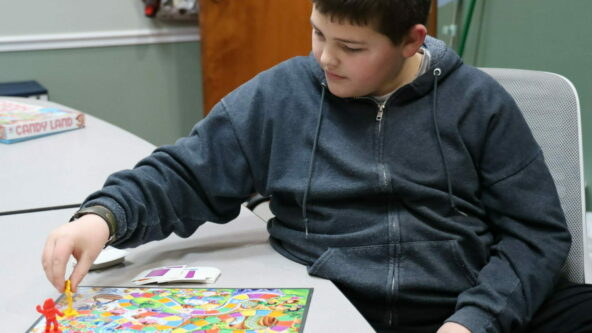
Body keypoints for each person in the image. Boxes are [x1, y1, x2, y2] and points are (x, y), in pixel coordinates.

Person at [41, 0, 592, 332]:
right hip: (335, 303)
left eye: (351, 47)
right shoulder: (284, 92)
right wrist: (102, 218)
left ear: (410, 41)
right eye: (317, 32)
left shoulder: (480, 103)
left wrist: (475, 320)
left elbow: (535, 234)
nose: (324, 57)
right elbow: (186, 172)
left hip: (464, 301)